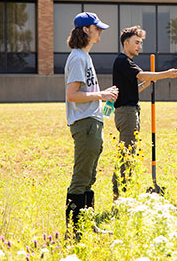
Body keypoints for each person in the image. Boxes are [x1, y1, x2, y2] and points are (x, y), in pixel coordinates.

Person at [64, 12, 119, 234]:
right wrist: (102, 94)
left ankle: (87, 224)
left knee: (90, 177)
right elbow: (72, 95)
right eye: (97, 28)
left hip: (92, 123)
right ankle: (75, 230)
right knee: (81, 178)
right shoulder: (78, 57)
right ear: (86, 30)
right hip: (85, 123)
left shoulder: (85, 57)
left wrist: (104, 94)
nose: (101, 31)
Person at [112, 25, 177, 200]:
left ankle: (122, 191)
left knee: (130, 151)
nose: (139, 47)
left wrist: (144, 85)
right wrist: (165, 74)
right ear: (126, 43)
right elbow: (142, 75)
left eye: (141, 43)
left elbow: (132, 88)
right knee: (127, 152)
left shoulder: (126, 63)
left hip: (130, 110)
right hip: (127, 113)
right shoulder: (123, 61)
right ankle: (120, 194)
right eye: (136, 43)